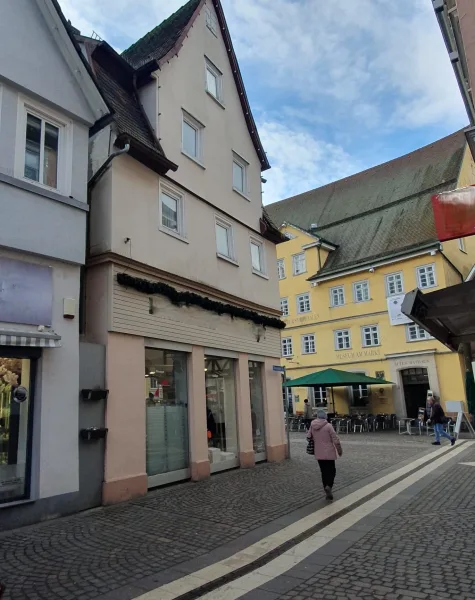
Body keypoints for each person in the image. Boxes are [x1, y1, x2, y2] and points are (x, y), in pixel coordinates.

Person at [307, 408, 343, 500]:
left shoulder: (312, 425)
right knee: (332, 470)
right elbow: (335, 439)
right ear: (325, 416)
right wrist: (339, 450)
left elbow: (308, 437)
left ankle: (326, 488)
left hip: (318, 452)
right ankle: (329, 486)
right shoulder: (328, 426)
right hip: (329, 452)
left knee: (323, 472)